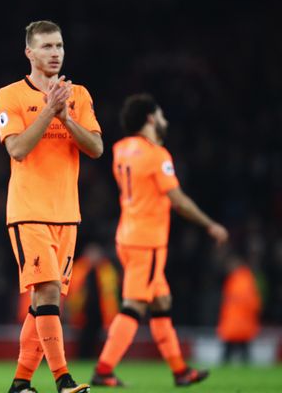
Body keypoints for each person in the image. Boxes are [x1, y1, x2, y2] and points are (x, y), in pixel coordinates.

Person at [90, 93, 229, 387]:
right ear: (151, 118)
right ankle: (103, 370)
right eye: (161, 115)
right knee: (135, 305)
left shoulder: (121, 149)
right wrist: (210, 225)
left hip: (126, 235)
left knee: (161, 300)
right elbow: (177, 200)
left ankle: (180, 371)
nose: (164, 120)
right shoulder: (157, 156)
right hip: (147, 241)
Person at [0, 20, 102, 393]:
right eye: (46, 47)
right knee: (49, 293)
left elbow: (95, 148)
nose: (54, 53)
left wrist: (65, 116)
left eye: (58, 46)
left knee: (43, 301)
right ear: (29, 52)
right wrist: (48, 110)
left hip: (67, 213)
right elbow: (17, 149)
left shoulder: (79, 95)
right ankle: (63, 379)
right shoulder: (8, 95)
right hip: (28, 211)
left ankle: (21, 383)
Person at [217, 253, 261, 364]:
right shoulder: (243, 278)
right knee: (241, 349)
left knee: (231, 349)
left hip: (237, 321)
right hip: (240, 322)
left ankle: (228, 364)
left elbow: (247, 301)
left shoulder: (241, 279)